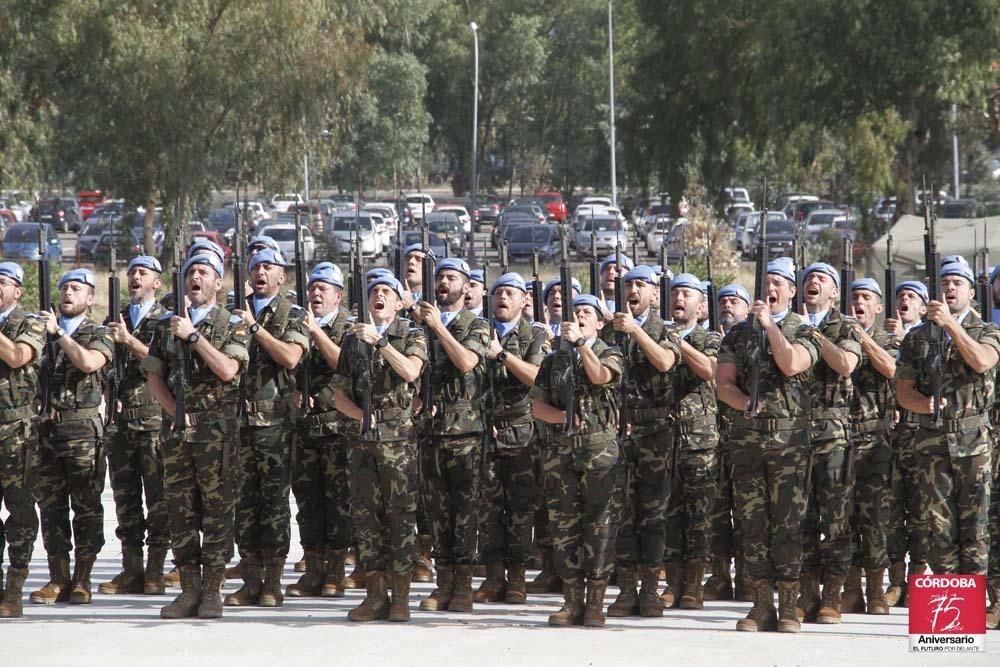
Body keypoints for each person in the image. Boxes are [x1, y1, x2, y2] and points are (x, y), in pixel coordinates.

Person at [717, 257, 821, 633]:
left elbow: (792, 364)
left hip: (789, 442)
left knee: (788, 525)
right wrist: (744, 403)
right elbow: (724, 383)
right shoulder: (737, 335)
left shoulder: (804, 330)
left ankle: (790, 605)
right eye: (766, 283)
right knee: (753, 523)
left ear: (792, 291)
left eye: (779, 283)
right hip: (747, 439)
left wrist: (770, 328)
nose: (771, 289)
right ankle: (761, 604)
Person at [142, 252, 248, 619]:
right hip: (178, 434)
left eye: (203, 272)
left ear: (218, 282)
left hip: (216, 434)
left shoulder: (231, 323)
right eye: (191, 272)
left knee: (218, 512)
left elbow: (228, 370)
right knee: (180, 512)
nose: (195, 278)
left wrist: (195, 337)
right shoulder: (164, 326)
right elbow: (153, 376)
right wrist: (176, 412)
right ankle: (189, 589)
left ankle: (213, 589)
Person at [896, 259, 998, 579]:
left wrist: (951, 326)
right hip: (932, 441)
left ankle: (979, 604)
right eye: (944, 283)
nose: (950, 288)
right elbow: (902, 392)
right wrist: (923, 404)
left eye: (957, 283)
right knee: (938, 527)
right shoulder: (917, 338)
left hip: (974, 443)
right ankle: (950, 603)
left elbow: (982, 362)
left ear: (971, 291)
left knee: (976, 526)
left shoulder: (988, 331)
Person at [334, 275, 427, 622]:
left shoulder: (412, 335)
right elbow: (337, 393)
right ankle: (375, 594)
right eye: (374, 291)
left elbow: (411, 371)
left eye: (387, 291)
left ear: (399, 303)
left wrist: (383, 343)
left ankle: (400, 595)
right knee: (365, 517)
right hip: (362, 441)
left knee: (401, 517)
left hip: (398, 441)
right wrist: (359, 414)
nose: (380, 295)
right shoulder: (352, 340)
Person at [531, 294, 624, 627]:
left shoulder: (610, 352)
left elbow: (600, 376)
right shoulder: (553, 360)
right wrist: (562, 418)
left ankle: (596, 601)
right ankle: (572, 600)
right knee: (564, 527)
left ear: (600, 322)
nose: (580, 317)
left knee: (599, 527)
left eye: (587, 313)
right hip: (560, 454)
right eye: (576, 313)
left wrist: (582, 344)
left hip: (598, 453)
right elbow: (536, 406)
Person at [226, 249, 309, 608]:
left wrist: (255, 327)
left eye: (268, 267)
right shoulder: (231, 313)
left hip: (274, 424)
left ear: (282, 277)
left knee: (273, 505)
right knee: (243, 505)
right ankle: (250, 578)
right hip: (236, 424)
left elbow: (291, 357)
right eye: (255, 267)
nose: (260, 272)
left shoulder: (294, 314)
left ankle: (273, 581)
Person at [600, 265, 680, 619]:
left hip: (656, 432)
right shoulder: (609, 331)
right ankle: (627, 588)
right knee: (621, 512)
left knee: (653, 513)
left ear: (654, 293)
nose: (632, 290)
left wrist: (636, 331)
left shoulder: (666, 329)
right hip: (618, 431)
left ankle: (650, 588)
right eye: (628, 284)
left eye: (639, 285)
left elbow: (664, 363)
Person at [411, 258, 490, 613]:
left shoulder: (478, 325)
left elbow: (466, 362)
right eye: (440, 277)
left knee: (465, 513)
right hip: (430, 433)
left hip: (465, 436)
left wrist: (437, 328)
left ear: (467, 288)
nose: (444, 282)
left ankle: (463, 586)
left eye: (451, 277)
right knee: (437, 514)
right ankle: (443, 583)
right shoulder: (418, 327)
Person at [31, 268, 113, 606]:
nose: (68, 294)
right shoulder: (42, 334)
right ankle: (57, 577)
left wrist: (59, 335)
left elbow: (89, 363)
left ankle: (83, 578)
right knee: (50, 510)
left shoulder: (99, 333)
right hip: (46, 433)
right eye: (64, 288)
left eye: (76, 289)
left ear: (90, 298)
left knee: (86, 509)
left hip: (82, 434)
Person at [100, 256, 172, 597]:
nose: (135, 278)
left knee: (158, 498)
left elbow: (166, 365)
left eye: (142, 273)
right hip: (120, 422)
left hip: (155, 421)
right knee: (125, 499)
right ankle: (132, 569)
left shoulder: (165, 321)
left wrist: (128, 341)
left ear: (156, 283)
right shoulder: (116, 319)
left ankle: (156, 570)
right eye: (132, 273)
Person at [475, 273, 549, 604]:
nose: (502, 298)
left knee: (520, 508)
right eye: (498, 293)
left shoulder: (535, 335)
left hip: (521, 433)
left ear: (523, 301)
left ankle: (517, 576)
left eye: (510, 293)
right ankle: (492, 576)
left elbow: (536, 377)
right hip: (485, 432)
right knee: (488, 509)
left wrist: (501, 355)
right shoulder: (479, 330)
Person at [796, 263, 861, 625]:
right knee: (800, 517)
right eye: (809, 278)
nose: (814, 282)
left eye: (822, 279)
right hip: (795, 433)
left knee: (835, 517)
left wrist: (814, 336)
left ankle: (832, 594)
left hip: (833, 433)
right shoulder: (789, 323)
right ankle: (806, 593)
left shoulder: (845, 326)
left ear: (834, 292)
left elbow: (846, 365)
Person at [285, 262, 352, 599]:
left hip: (337, 430)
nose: (316, 293)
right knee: (308, 504)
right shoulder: (295, 325)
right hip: (305, 429)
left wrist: (315, 332)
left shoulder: (349, 326)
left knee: (338, 504)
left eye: (323, 288)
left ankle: (336, 573)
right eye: (312, 288)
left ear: (338, 295)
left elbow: (346, 363)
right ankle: (313, 570)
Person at [661, 273, 720, 610]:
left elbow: (709, 369)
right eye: (675, 293)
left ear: (701, 303)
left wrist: (676, 343)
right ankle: (672, 582)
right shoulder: (659, 336)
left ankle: (694, 585)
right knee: (669, 515)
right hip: (665, 440)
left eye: (686, 293)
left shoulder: (709, 337)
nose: (679, 299)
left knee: (698, 518)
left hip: (699, 441)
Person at [845, 278, 897, 615]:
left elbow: (891, 369)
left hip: (875, 441)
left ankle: (876, 589)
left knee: (874, 518)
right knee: (842, 518)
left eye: (865, 298)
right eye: (854, 298)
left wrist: (860, 338)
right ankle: (850, 589)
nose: (858, 303)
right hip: (839, 437)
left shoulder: (888, 340)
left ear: (877, 307)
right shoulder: (837, 337)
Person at [0, 262, 45, 618]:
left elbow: (17, 357)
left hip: (17, 434)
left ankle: (14, 587)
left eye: (2, 283)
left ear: (18, 291)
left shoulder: (30, 323)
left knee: (20, 513)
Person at [882, 280, 930, 606]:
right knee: (893, 509)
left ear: (924, 307)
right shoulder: (884, 337)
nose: (904, 301)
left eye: (911, 297)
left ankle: (919, 576)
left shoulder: (931, 339)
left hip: (925, 436)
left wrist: (900, 340)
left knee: (924, 511)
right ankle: (896, 580)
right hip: (894, 436)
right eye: (900, 296)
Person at [704, 283, 752, 602]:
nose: (727, 306)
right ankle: (720, 575)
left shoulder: (751, 341)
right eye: (722, 302)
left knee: (749, 509)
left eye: (735, 301)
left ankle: (749, 577)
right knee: (717, 508)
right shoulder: (710, 340)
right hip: (711, 435)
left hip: (747, 433)